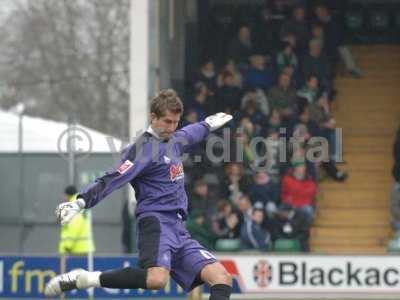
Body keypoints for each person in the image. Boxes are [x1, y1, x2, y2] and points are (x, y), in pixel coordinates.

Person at [45, 89, 233, 300]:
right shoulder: (142, 150)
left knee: (222, 277)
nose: (172, 128)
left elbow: (191, 133)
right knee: (157, 280)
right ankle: (86, 279)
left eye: (176, 122)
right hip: (156, 222)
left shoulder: (174, 139)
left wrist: (207, 124)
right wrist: (80, 202)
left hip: (179, 228)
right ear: (153, 118)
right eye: (167, 122)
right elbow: (112, 178)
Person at [58, 185, 95, 256]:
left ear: (68, 195)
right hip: (85, 248)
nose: (64, 198)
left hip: (76, 250)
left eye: (65, 195)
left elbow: (75, 225)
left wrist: (67, 245)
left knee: (74, 267)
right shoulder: (82, 202)